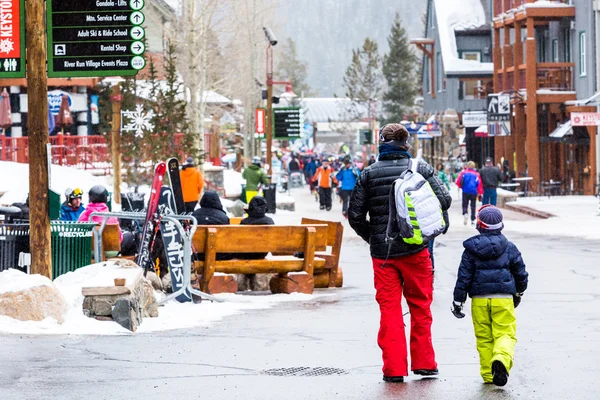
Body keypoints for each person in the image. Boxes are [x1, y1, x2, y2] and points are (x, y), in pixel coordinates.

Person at [348, 123, 452, 383]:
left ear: (382, 143)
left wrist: (373, 237)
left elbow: (355, 216)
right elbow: (445, 200)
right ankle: (425, 363)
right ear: (406, 143)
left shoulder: (368, 174)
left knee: (390, 310)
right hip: (417, 249)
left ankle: (394, 369)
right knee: (421, 307)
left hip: (384, 255)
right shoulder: (421, 168)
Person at [451, 205, 528, 386]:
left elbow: (464, 276)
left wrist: (458, 300)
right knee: (505, 333)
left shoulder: (471, 250)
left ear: (479, 225)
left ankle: (488, 375)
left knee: (484, 338)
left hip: (479, 300)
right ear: (501, 226)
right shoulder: (509, 248)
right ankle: (500, 358)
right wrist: (519, 291)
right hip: (503, 298)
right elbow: (521, 273)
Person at [192, 191, 232, 261]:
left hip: (197, 255)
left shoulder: (194, 216)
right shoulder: (223, 217)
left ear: (203, 200)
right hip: (219, 255)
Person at [456, 161, 483, 226]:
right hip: (474, 192)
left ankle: (465, 213)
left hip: (465, 191)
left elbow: (458, 181)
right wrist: (480, 192)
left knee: (465, 204)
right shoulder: (476, 174)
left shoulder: (463, 173)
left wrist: (461, 187)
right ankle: (473, 220)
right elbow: (479, 184)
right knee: (473, 206)